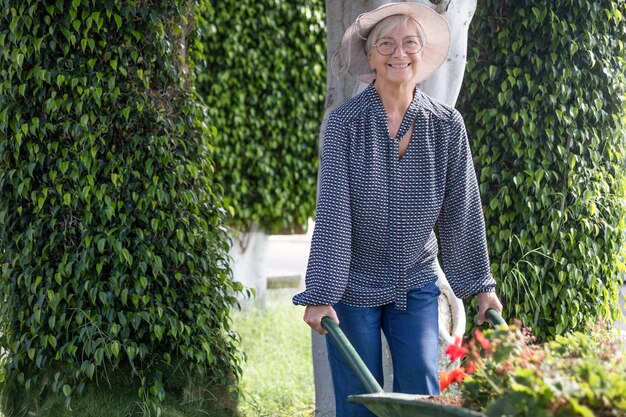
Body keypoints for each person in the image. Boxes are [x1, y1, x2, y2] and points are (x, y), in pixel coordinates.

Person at [292, 3, 503, 416]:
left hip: (416, 279)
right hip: (354, 282)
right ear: (369, 56)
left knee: (422, 395)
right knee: (360, 400)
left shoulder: (446, 125)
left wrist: (481, 285)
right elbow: (334, 213)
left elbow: (462, 212)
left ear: (423, 55)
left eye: (409, 43)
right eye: (385, 43)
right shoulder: (344, 124)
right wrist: (321, 294)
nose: (398, 52)